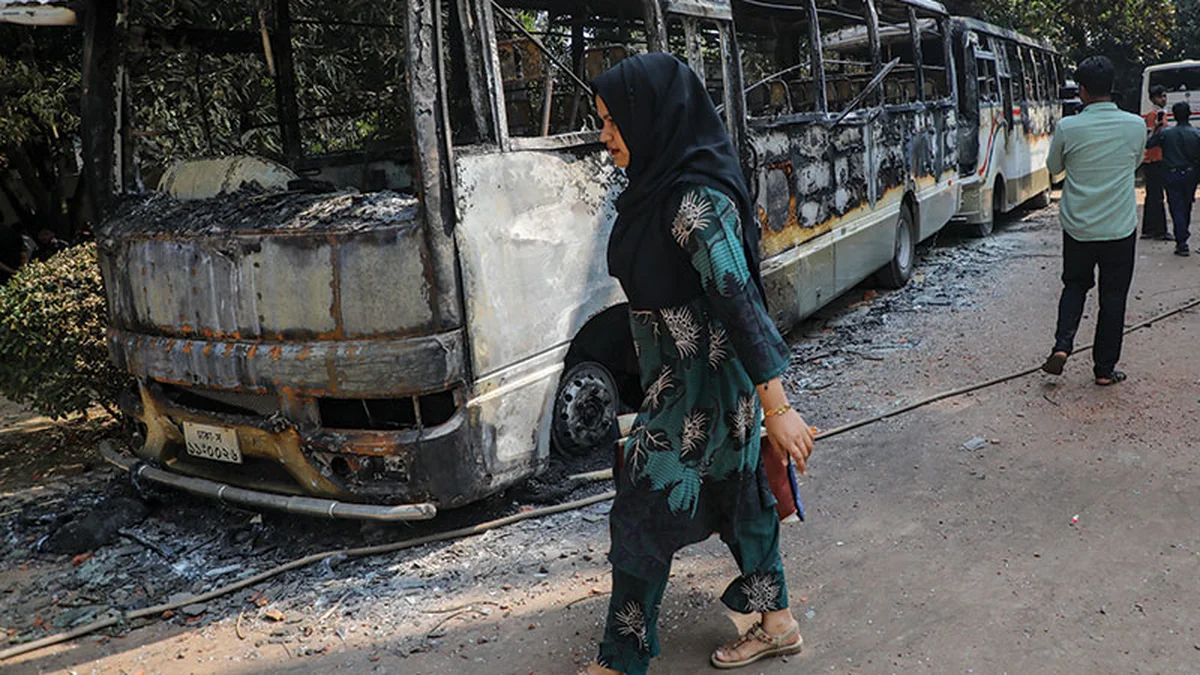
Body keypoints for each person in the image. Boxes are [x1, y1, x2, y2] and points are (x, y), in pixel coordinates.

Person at [581, 53, 815, 674]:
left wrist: (779, 409)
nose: (604, 136)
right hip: (681, 383)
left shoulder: (694, 204)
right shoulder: (657, 190)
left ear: (650, 118)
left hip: (702, 391)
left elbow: (739, 306)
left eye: (611, 122)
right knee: (740, 504)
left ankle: (619, 662)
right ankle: (778, 623)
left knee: (641, 512)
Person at [1041, 56, 1146, 386]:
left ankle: (1062, 345)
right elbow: (1136, 163)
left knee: (1074, 285)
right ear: (1111, 88)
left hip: (1079, 227)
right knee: (1113, 297)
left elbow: (1054, 168)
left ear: (1082, 91)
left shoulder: (1068, 127)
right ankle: (1104, 370)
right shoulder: (1135, 125)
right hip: (1119, 228)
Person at [1147, 102, 1200, 256]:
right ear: (1189, 114)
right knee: (1187, 206)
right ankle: (1183, 235)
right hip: (1190, 175)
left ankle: (1181, 240)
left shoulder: (1166, 133)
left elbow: (1149, 144)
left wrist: (1156, 128)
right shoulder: (1196, 134)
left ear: (1173, 116)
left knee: (1176, 206)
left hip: (1171, 174)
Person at [1140, 85, 1170, 240]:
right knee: (1156, 195)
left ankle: (1149, 229)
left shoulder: (1161, 114)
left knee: (1153, 195)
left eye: (1164, 96)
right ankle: (1159, 230)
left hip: (1158, 158)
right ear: (1153, 99)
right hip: (1153, 159)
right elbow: (1147, 138)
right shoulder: (1153, 116)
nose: (1163, 99)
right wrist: (1156, 128)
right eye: (1160, 97)